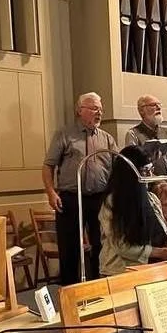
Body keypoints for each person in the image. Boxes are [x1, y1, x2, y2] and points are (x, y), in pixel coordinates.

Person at [42, 92, 117, 284]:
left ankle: (98, 285)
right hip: (70, 198)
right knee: (69, 248)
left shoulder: (107, 139)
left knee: (101, 245)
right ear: (79, 110)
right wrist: (51, 193)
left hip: (99, 199)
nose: (98, 113)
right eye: (93, 108)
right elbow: (48, 166)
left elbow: (118, 167)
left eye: (100, 109)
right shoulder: (64, 134)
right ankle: (69, 290)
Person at [98, 145, 167, 275]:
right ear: (130, 172)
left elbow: (162, 234)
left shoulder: (152, 198)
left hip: (150, 267)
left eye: (151, 169)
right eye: (145, 170)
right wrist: (160, 252)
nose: (150, 175)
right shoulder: (112, 201)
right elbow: (122, 247)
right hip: (118, 270)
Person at [124, 94, 167, 177]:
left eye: (159, 104)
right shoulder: (133, 134)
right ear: (141, 110)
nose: (158, 107)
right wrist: (159, 185)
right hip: (149, 186)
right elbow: (135, 164)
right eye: (153, 105)